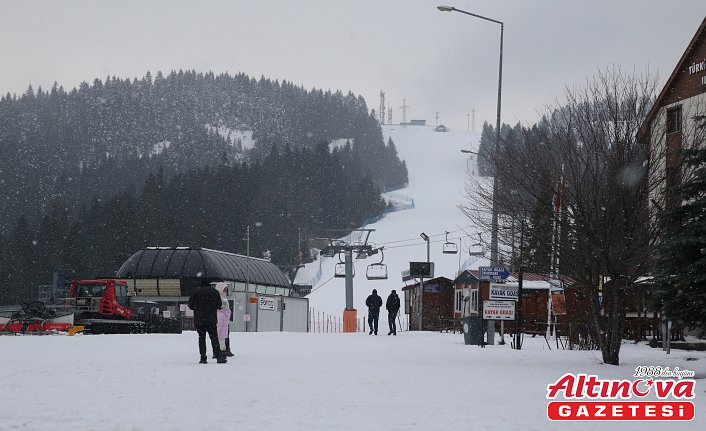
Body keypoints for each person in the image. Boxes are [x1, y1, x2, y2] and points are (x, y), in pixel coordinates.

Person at [188, 281, 226, 364]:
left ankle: (203, 358)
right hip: (211, 319)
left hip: (199, 320)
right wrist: (211, 308)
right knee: (214, 338)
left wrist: (198, 308)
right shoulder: (214, 292)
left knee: (202, 339)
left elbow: (190, 305)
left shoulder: (196, 292)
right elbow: (219, 304)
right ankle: (219, 357)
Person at [214, 282, 234, 358]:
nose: (226, 291)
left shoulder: (224, 297)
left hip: (225, 319)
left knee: (225, 335)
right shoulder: (219, 298)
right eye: (224, 289)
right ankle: (221, 350)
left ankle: (225, 349)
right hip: (222, 318)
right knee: (221, 335)